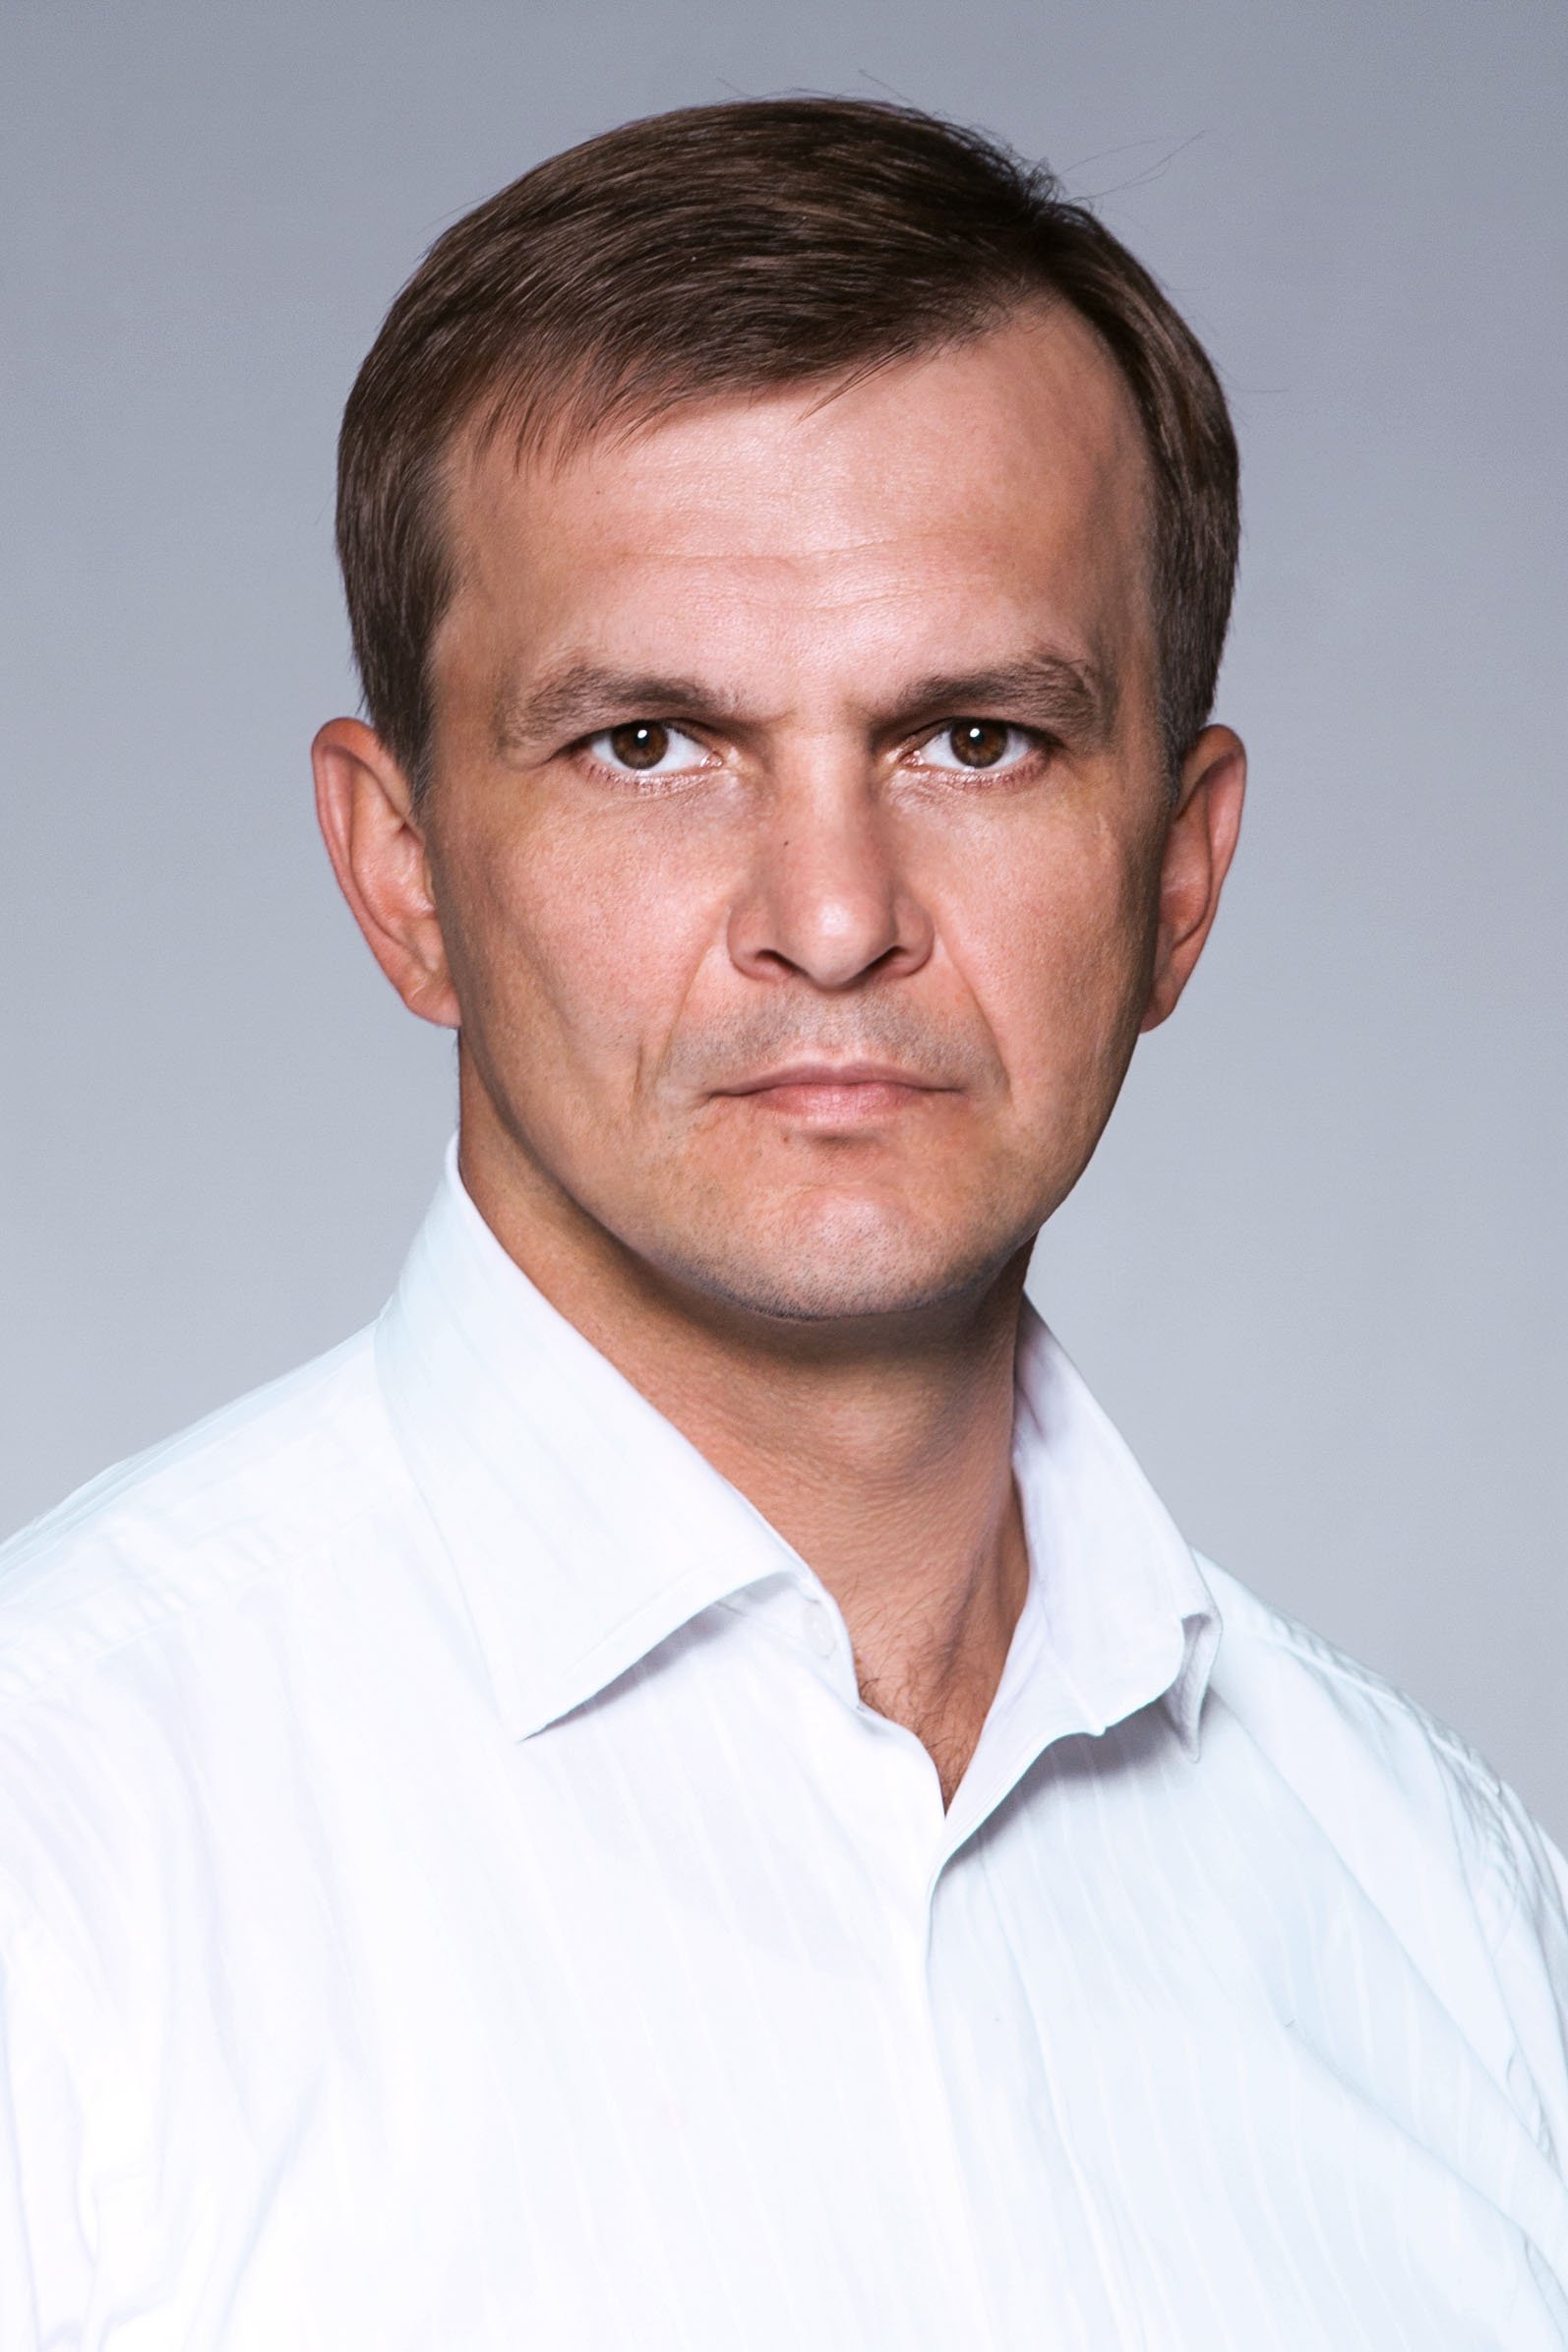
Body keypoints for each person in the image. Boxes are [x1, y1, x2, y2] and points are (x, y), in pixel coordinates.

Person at [1, 94, 1564, 2351]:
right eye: (649, 742)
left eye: (973, 738)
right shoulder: (58, 1863)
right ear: (400, 868)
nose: (830, 917)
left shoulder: (1463, 1938)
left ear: (1178, 870)